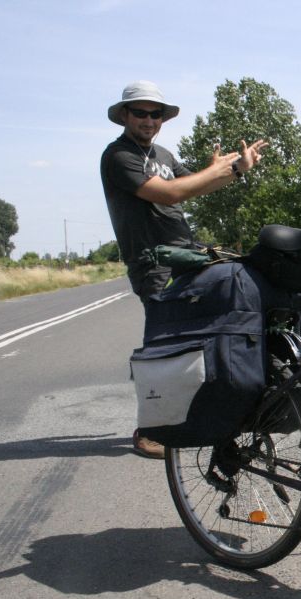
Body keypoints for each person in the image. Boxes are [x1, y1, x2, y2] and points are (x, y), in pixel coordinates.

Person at [100, 80, 267, 458]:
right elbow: (173, 192)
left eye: (155, 114)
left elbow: (196, 185)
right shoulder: (118, 156)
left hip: (186, 256)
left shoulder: (163, 154)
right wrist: (222, 170)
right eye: (140, 113)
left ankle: (201, 414)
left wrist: (238, 169)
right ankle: (149, 430)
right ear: (124, 115)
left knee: (202, 332)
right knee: (164, 345)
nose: (149, 120)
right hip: (153, 260)